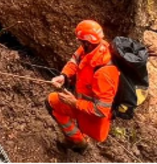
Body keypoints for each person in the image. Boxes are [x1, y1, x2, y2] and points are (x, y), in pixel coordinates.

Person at [46, 20, 119, 152]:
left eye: (81, 41)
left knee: (50, 102)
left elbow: (101, 110)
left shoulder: (104, 72)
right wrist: (64, 76)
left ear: (87, 42)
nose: (79, 44)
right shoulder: (93, 47)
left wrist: (75, 103)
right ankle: (79, 137)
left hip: (91, 116)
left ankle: (77, 140)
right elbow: (75, 60)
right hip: (82, 103)